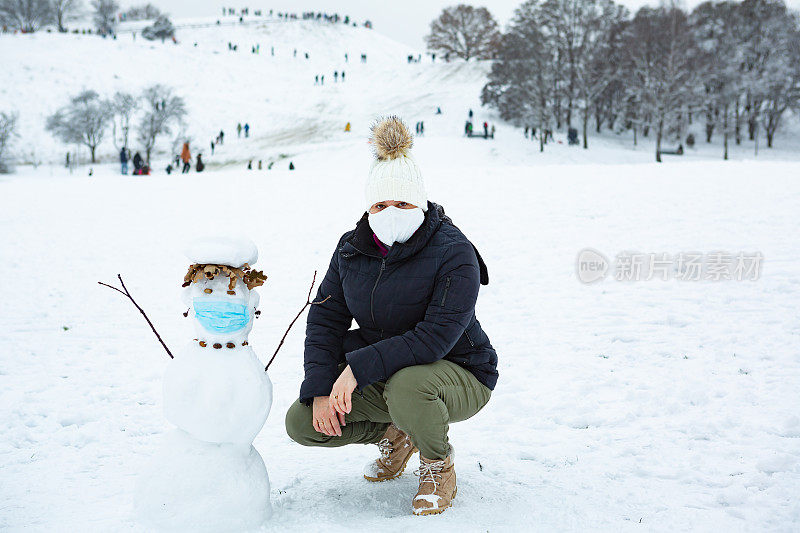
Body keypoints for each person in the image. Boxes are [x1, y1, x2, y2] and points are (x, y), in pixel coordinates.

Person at [285, 117, 497, 517]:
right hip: (384, 371)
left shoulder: (454, 251)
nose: (391, 213)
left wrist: (355, 369)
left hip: (460, 372)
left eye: (403, 204)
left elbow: (434, 338)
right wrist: (319, 387)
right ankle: (396, 435)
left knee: (408, 388)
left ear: (420, 202)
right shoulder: (351, 248)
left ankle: (437, 465)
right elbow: (325, 320)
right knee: (302, 422)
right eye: (380, 205)